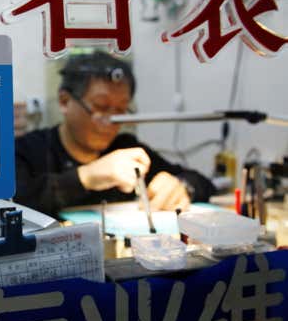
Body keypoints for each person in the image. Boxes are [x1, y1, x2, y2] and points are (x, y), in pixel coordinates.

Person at [14, 51, 215, 219]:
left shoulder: (126, 149)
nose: (112, 121)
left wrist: (181, 187)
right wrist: (87, 177)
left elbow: (204, 184)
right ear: (65, 101)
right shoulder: (27, 151)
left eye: (120, 110)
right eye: (101, 107)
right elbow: (14, 203)